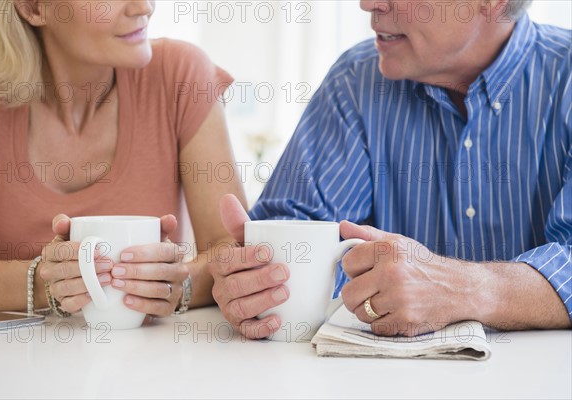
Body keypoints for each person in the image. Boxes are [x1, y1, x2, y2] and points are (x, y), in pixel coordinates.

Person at [210, 0, 572, 338]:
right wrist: (259, 279)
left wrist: (468, 289)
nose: (368, 4)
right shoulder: (355, 81)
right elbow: (294, 227)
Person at [0, 0, 247, 318]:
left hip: (147, 358)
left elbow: (232, 250)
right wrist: (44, 281)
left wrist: (179, 285)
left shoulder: (182, 75)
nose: (144, 7)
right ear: (33, 8)